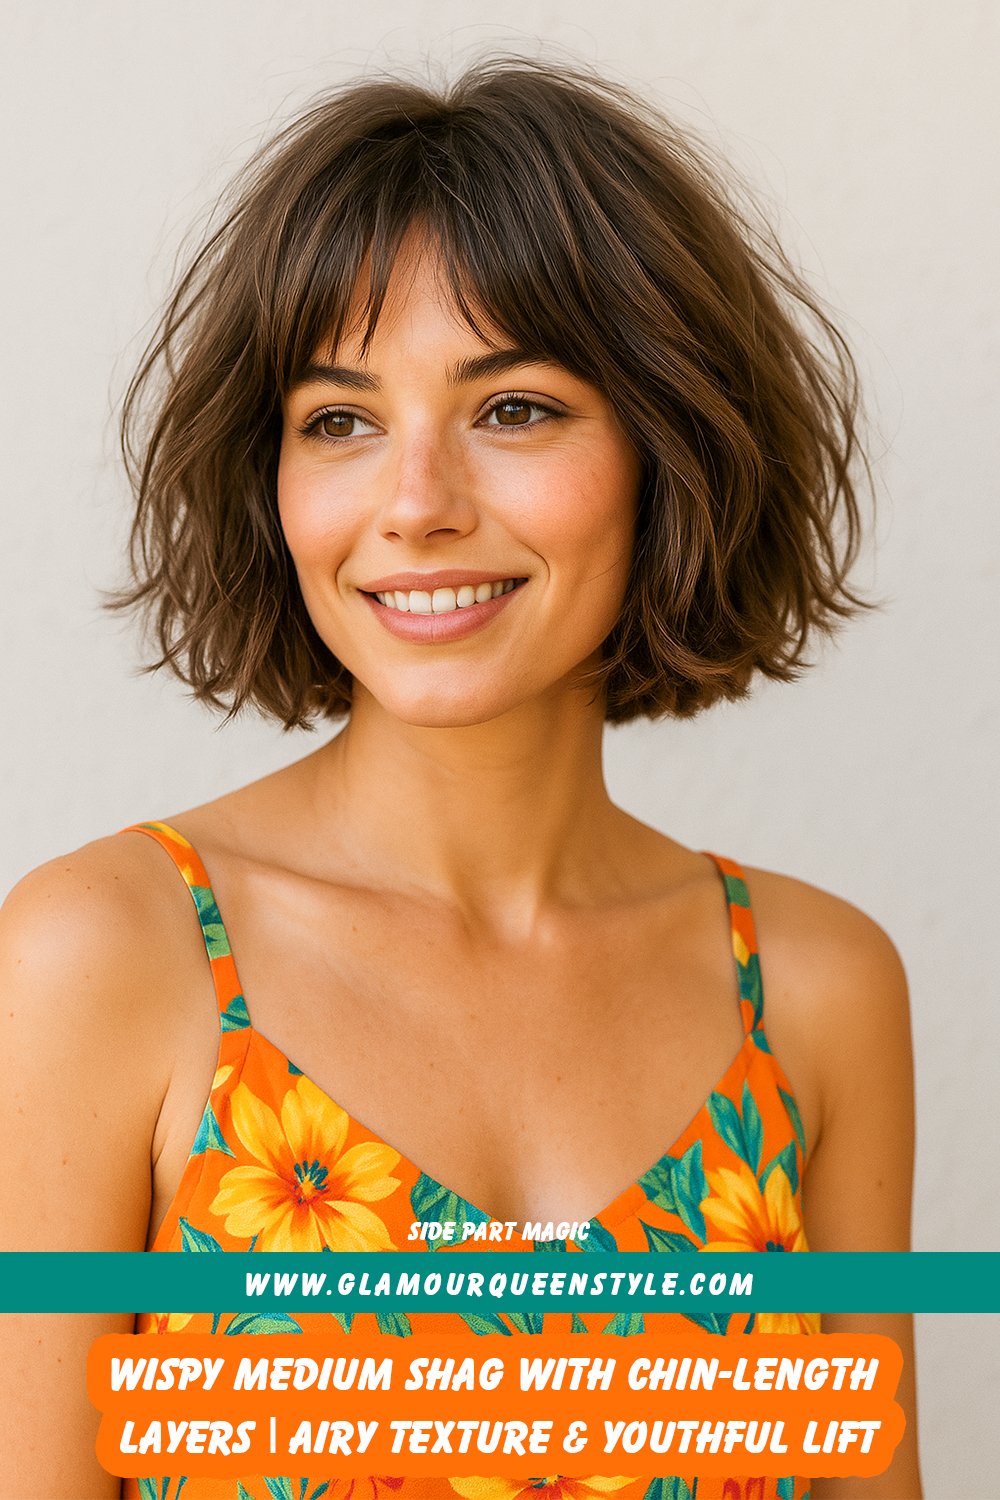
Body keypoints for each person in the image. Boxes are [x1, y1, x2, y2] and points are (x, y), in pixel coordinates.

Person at [0, 54, 921, 1500]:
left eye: (514, 409)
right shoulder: (106, 954)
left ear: (669, 449)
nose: (416, 504)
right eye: (339, 421)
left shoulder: (816, 987)